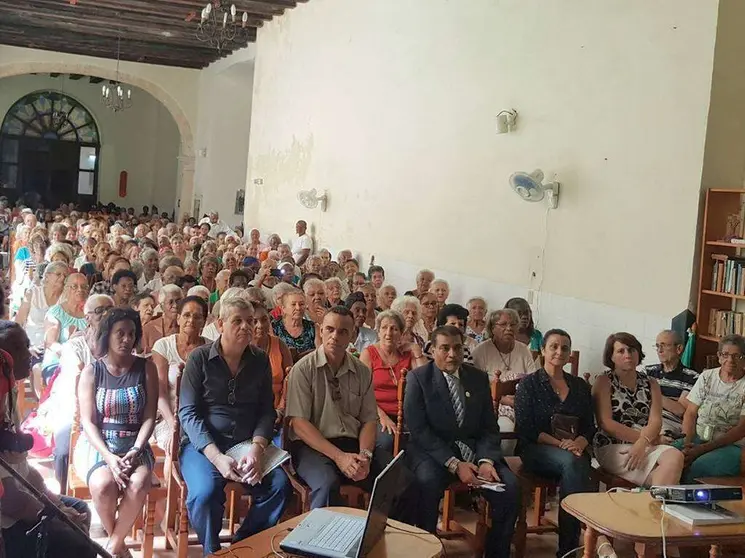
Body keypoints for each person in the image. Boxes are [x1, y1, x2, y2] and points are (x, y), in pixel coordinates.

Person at [178, 298, 291, 555]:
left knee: (279, 486)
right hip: (203, 446)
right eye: (237, 321)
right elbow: (188, 413)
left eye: (250, 321)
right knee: (205, 493)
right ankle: (213, 551)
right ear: (220, 324)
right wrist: (216, 457)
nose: (246, 327)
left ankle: (243, 544)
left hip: (245, 445)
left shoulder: (260, 360)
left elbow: (266, 410)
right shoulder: (199, 359)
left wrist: (257, 448)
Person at [285, 306, 413, 518]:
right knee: (327, 483)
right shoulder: (304, 369)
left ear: (352, 335)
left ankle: (380, 539)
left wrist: (365, 456)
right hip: (312, 446)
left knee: (401, 480)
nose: (335, 336)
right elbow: (299, 424)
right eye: (330, 329)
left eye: (343, 331)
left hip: (352, 444)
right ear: (320, 331)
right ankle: (320, 548)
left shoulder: (361, 371)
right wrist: (339, 457)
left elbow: (369, 420)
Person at [404, 325, 519, 558]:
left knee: (510, 488)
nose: (452, 354)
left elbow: (489, 427)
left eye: (457, 348)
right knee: (426, 483)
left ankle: (497, 553)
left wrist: (487, 461)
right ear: (432, 350)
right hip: (433, 452)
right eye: (444, 348)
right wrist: (455, 464)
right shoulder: (419, 379)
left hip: (476, 452)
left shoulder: (476, 378)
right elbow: (419, 431)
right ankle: (424, 551)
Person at [0, 321, 95, 558]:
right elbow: (11, 499)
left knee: (79, 509)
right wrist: (53, 513)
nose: (28, 354)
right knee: (78, 543)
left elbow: (25, 470)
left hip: (19, 497)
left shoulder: (10, 396)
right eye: (19, 349)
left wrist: (59, 507)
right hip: (7, 517)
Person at [73, 309, 158, 558]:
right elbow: (88, 423)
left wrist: (135, 449)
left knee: (139, 482)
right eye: (120, 333)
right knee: (103, 485)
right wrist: (109, 457)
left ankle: (111, 548)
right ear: (107, 335)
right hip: (99, 444)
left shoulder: (146, 368)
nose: (126, 339)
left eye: (131, 334)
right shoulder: (92, 371)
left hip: (135, 444)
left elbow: (150, 417)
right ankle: (121, 549)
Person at [514, 329, 595, 558]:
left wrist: (579, 441)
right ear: (543, 350)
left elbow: (590, 425)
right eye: (554, 347)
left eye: (565, 348)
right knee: (575, 463)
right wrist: (562, 444)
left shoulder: (579, 386)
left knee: (576, 463)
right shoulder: (529, 385)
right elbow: (527, 428)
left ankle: (570, 546)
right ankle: (570, 548)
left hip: (573, 450)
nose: (560, 352)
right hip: (537, 449)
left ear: (570, 354)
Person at [592, 332, 684, 486]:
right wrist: (642, 440)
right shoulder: (603, 381)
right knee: (667, 474)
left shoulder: (651, 383)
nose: (628, 355)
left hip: (645, 443)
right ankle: (656, 506)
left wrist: (642, 443)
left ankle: (649, 504)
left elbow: (656, 421)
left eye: (632, 350)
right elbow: (606, 423)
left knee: (675, 457)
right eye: (621, 351)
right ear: (611, 357)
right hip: (612, 445)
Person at [50, 294, 114, 490]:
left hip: (110, 410)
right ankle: (61, 498)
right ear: (87, 318)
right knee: (62, 451)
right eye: (99, 311)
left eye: (109, 311)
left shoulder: (121, 344)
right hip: (74, 408)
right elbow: (75, 382)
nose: (105, 315)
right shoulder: (75, 346)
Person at [676, 335, 745, 482]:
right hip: (698, 438)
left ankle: (684, 502)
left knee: (699, 467)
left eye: (736, 356)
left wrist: (702, 449)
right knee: (670, 455)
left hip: (731, 446)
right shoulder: (707, 376)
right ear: (719, 356)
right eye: (725, 355)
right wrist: (688, 443)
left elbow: (741, 429)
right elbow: (690, 413)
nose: (730, 360)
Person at [359, 310, 426, 453]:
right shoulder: (368, 354)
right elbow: (363, 393)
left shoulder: (408, 354)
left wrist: (416, 349)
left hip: (407, 413)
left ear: (401, 333)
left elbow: (425, 379)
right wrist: (382, 417)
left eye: (394, 329)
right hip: (377, 413)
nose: (389, 333)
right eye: (384, 328)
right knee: (387, 440)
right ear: (378, 331)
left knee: (419, 439)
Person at [151, 296, 209, 451]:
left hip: (201, 417)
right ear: (178, 318)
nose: (191, 320)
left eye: (197, 317)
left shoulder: (211, 348)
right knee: (176, 446)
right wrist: (173, 425)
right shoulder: (163, 346)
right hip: (169, 416)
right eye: (186, 315)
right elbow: (160, 393)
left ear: (204, 322)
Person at [644, 330, 699, 440]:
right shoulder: (648, 371)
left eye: (664, 346)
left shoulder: (692, 377)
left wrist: (652, 393)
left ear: (679, 349)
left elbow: (679, 410)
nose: (659, 350)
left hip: (669, 423)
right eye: (657, 346)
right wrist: (669, 400)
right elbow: (640, 398)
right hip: (645, 418)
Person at [252, 303, 293, 445]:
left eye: (264, 320)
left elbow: (290, 380)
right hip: (250, 413)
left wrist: (280, 410)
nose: (260, 325)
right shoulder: (240, 347)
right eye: (254, 321)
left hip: (278, 411)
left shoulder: (279, 344)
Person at [14, 260, 68, 349]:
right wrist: (25, 347)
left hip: (56, 349)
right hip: (31, 347)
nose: (62, 278)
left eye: (65, 276)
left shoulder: (66, 298)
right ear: (47, 276)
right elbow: (18, 323)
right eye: (58, 274)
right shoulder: (33, 293)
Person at [271, 290, 318, 359]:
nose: (298, 308)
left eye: (301, 304)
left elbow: (319, 353)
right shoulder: (274, 327)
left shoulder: (313, 327)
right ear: (283, 308)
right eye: (293, 304)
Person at [141, 284, 183, 354]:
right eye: (170, 302)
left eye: (179, 301)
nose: (175, 305)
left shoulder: (187, 325)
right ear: (162, 306)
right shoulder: (148, 329)